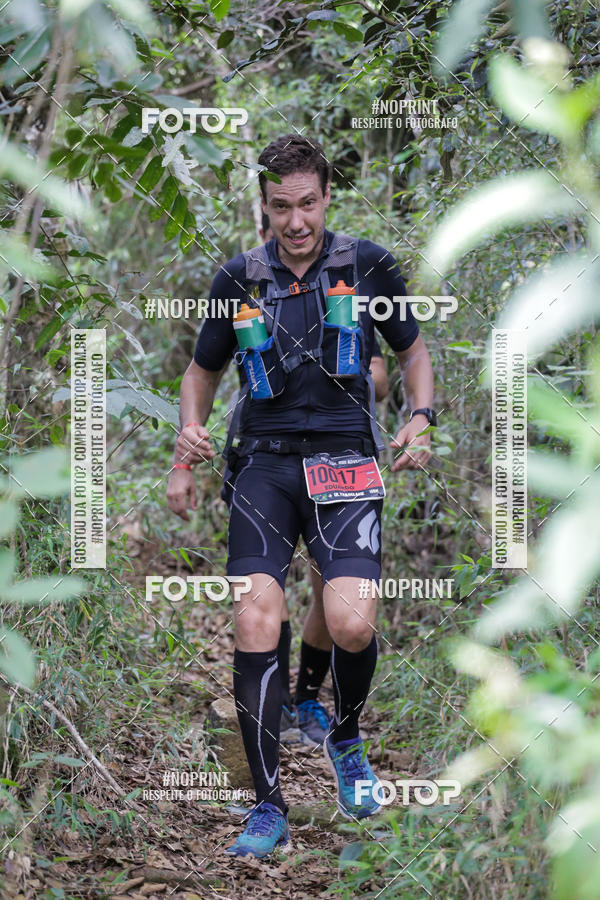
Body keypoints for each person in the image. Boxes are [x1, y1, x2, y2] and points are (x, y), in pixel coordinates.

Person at [167, 135, 435, 859]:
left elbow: (412, 350)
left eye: (307, 204)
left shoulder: (369, 264)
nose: (295, 221)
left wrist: (419, 417)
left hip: (346, 460)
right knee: (255, 615)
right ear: (264, 205)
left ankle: (343, 737)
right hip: (264, 463)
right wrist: (187, 444)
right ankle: (267, 805)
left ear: (327, 198)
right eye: (280, 206)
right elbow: (201, 372)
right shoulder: (238, 278)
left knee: (351, 621)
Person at [258, 211, 391, 748]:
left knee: (330, 591)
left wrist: (347, 363)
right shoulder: (252, 290)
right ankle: (275, 703)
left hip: (340, 460)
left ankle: (307, 698)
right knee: (264, 587)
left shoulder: (347, 288)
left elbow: (381, 374)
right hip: (270, 458)